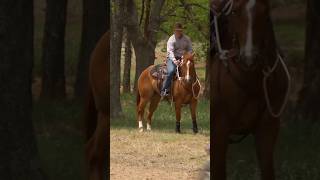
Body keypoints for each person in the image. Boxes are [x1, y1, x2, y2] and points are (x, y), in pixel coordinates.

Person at [160, 22, 193, 97]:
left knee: (190, 70)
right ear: (174, 31)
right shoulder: (171, 39)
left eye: (180, 30)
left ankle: (193, 89)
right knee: (171, 71)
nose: (179, 32)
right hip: (172, 59)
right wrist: (175, 61)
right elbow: (170, 52)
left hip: (183, 58)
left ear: (182, 31)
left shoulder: (187, 39)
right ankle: (165, 90)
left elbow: (190, 49)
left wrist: (184, 58)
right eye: (177, 30)